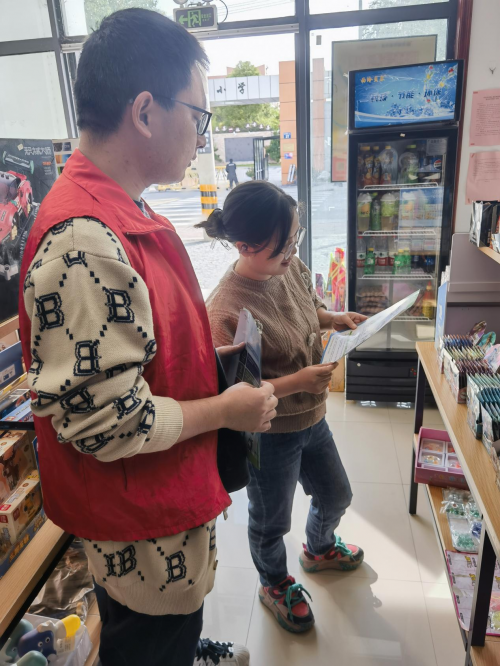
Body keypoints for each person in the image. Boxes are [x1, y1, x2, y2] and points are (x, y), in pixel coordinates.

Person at [18, 10, 278, 666]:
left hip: (159, 502)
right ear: (144, 111)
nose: (201, 134)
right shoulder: (83, 241)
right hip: (140, 523)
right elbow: (107, 422)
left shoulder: (122, 208)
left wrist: (204, 361)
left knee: (166, 631)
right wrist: (226, 409)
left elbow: (137, 345)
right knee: (150, 638)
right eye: (198, 114)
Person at [197, 181, 367, 634]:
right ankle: (273, 582)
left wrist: (333, 318)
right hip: (270, 434)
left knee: (337, 495)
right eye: (283, 246)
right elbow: (236, 395)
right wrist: (297, 381)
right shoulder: (225, 310)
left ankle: (319, 548)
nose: (293, 253)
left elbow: (308, 307)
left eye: (296, 238)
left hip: (312, 416)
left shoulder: (287, 265)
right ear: (244, 246)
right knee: (270, 522)